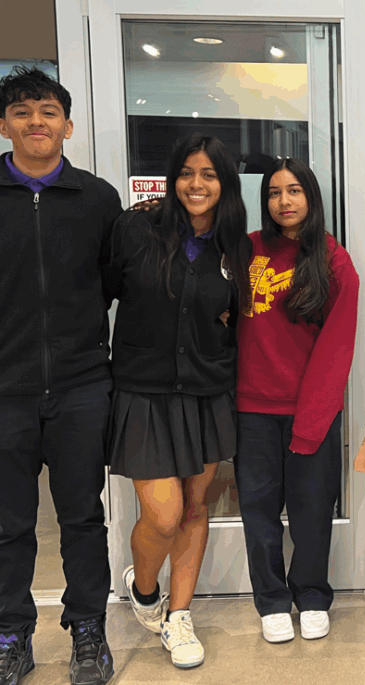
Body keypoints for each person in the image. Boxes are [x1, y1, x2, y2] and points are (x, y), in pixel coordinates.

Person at [105, 133, 251, 669]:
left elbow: (236, 318)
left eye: (209, 175)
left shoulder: (234, 246)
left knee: (195, 507)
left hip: (206, 391)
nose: (197, 184)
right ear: (173, 178)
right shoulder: (135, 229)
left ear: (224, 184)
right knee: (163, 516)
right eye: (188, 173)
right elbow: (98, 294)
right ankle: (145, 590)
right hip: (143, 392)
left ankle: (179, 615)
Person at [0, 66, 122, 685]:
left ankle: (87, 632)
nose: (36, 122)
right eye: (22, 112)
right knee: (8, 523)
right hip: (4, 391)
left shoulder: (98, 199)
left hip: (80, 387)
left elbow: (113, 283)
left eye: (48, 111)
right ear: (4, 125)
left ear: (68, 125)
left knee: (81, 518)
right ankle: (10, 634)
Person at [234, 158, 359, 643]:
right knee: (258, 511)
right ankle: (269, 599)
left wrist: (312, 420)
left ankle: (310, 594)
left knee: (311, 511)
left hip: (311, 408)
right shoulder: (246, 249)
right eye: (273, 193)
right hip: (252, 408)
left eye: (294, 191)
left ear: (310, 197)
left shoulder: (331, 257)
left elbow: (337, 346)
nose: (283, 201)